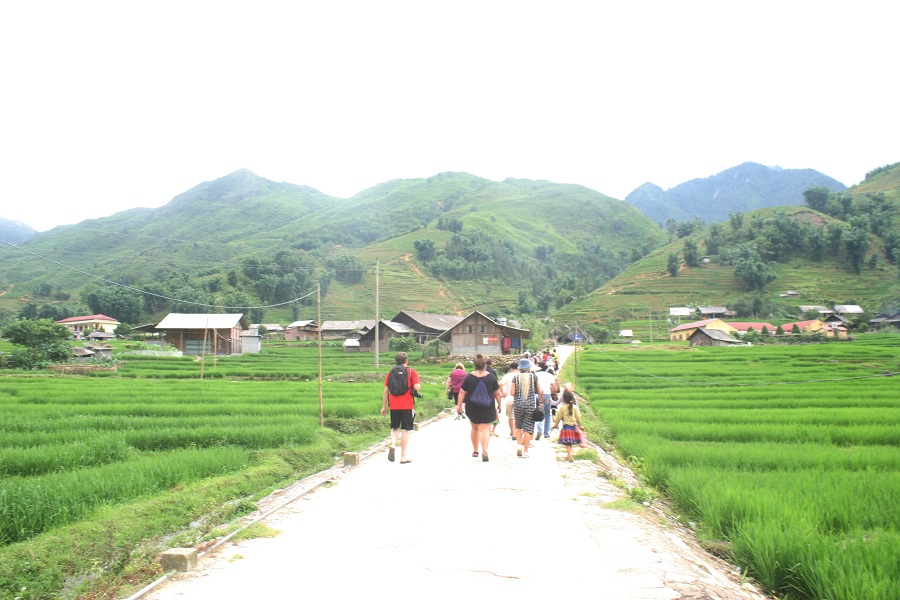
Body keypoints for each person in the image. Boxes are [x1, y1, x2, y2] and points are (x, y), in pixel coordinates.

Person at [456, 353, 501, 462]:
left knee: (475, 428)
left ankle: (475, 450)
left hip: (472, 406)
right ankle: (484, 451)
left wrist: (459, 405)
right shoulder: (491, 377)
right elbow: (497, 393)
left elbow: (462, 391)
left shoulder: (469, 377)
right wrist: (499, 405)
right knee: (485, 429)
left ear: (475, 364)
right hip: (488, 406)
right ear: (485, 364)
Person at [380, 351, 420, 464]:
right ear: (406, 360)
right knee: (405, 430)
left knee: (395, 428)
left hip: (394, 406)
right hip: (407, 405)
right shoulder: (412, 372)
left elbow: (386, 390)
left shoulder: (390, 373)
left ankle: (393, 444)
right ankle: (403, 457)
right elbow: (417, 387)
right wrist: (415, 386)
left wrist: (384, 407)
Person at [510, 357, 543, 458]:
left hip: (518, 405)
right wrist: (541, 402)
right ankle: (526, 451)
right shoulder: (534, 377)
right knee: (528, 428)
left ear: (520, 368)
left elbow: (512, 393)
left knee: (518, 426)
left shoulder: (516, 378)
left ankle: (519, 445)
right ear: (529, 368)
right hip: (530, 406)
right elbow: (540, 391)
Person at [552, 389, 585, 462]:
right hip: (573, 427)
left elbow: (558, 417)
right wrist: (581, 426)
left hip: (566, 427)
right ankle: (571, 453)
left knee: (568, 442)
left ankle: (569, 453)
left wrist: (555, 425)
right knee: (571, 442)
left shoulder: (562, 408)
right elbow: (578, 418)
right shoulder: (575, 407)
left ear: (564, 399)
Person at [533, 361, 557, 441]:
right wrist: (551, 393)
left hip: (537, 395)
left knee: (538, 413)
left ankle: (539, 430)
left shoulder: (535, 375)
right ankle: (546, 433)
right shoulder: (550, 375)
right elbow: (554, 389)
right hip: (547, 395)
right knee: (547, 415)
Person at [498, 361, 518, 440]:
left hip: (509, 397)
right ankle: (516, 432)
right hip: (519, 398)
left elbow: (500, 384)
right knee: (517, 416)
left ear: (510, 368)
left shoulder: (507, 376)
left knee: (511, 416)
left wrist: (503, 393)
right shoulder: (520, 375)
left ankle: (513, 433)